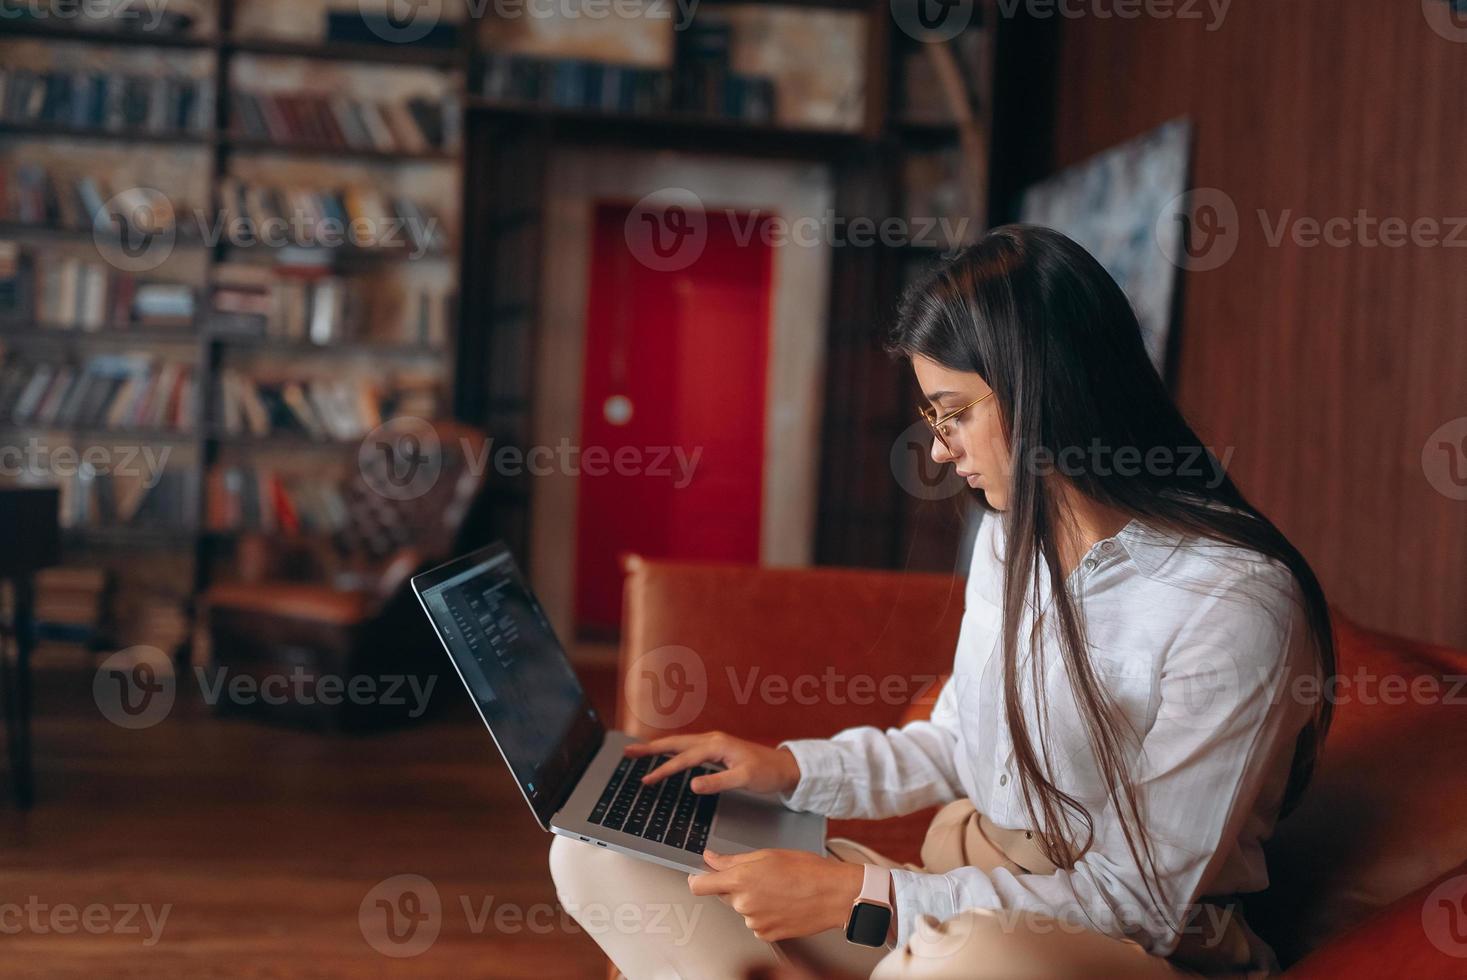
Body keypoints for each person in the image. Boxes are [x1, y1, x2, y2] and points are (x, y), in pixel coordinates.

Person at [549, 225, 1334, 979]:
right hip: (960, 897)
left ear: (1047, 390)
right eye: (932, 417)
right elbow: (961, 742)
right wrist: (784, 768)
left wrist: (859, 895)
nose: (936, 449)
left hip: (1119, 947)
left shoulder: (1231, 601)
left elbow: (1140, 903)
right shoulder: (1009, 534)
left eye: (955, 413)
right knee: (598, 855)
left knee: (957, 963)